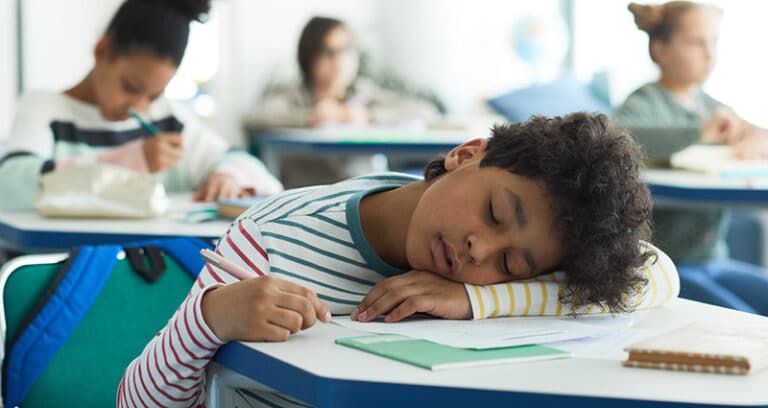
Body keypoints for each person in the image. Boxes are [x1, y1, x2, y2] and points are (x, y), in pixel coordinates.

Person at [119, 112, 680, 407]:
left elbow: (656, 274)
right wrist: (210, 318)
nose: (480, 250)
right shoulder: (270, 242)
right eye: (493, 212)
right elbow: (135, 402)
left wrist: (477, 300)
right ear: (465, 155)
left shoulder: (489, 280)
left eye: (510, 264)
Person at [0, 0, 282, 211]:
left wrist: (227, 176)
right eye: (131, 88)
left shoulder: (167, 119)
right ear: (102, 51)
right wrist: (130, 162)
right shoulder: (45, 110)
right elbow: (9, 187)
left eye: (154, 95)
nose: (139, 106)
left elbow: (257, 173)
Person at [614, 1, 768, 315]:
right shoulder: (644, 103)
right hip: (665, 267)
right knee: (748, 323)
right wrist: (698, 131)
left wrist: (755, 139)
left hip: (715, 260)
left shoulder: (713, 107)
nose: (710, 54)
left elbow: (753, 135)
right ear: (660, 50)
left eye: (713, 42)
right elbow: (620, 135)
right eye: (697, 43)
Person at [245, 16, 440, 187]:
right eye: (327, 52)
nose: (339, 61)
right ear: (308, 57)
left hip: (366, 195)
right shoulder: (294, 96)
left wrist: (368, 116)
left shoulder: (363, 93)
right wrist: (310, 117)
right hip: (310, 195)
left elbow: (425, 111)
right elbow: (254, 119)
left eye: (346, 50)